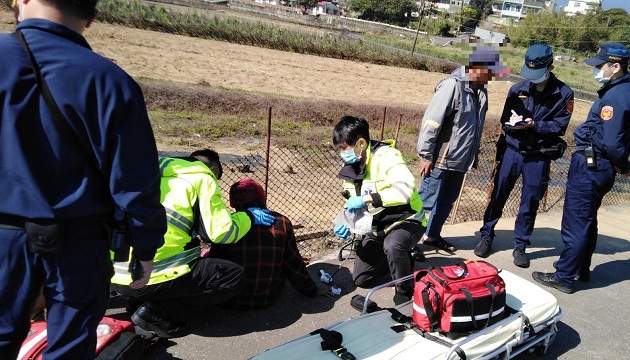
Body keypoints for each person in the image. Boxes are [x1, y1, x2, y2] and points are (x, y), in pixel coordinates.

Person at [0, 0, 167, 358]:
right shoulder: (111, 81)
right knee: (71, 346)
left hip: (3, 238)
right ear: (92, 18)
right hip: (79, 243)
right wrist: (146, 246)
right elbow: (136, 181)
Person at [111, 150, 275, 338]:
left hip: (114, 274)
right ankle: (154, 310)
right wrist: (248, 217)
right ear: (213, 169)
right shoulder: (201, 177)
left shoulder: (151, 167)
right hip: (151, 275)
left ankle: (138, 301)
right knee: (233, 276)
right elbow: (221, 233)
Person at [533, 43, 630, 293]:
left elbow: (612, 141)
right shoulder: (621, 90)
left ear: (616, 66)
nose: (597, 70)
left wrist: (623, 166)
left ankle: (564, 275)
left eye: (601, 66)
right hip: (600, 165)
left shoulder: (616, 97)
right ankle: (580, 266)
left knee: (576, 221)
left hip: (592, 164)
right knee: (587, 220)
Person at [474, 44, 574, 268]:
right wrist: (513, 126)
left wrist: (535, 125)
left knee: (530, 203)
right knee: (498, 195)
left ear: (551, 67)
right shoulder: (517, 89)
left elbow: (560, 126)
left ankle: (520, 246)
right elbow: (504, 120)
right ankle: (487, 236)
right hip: (512, 151)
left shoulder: (564, 93)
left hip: (537, 156)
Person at [416, 46, 507, 256]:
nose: (492, 78)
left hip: (460, 160)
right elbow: (431, 122)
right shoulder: (452, 86)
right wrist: (426, 154)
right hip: (439, 160)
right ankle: (409, 244)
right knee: (424, 203)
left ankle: (432, 236)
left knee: (447, 201)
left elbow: (474, 127)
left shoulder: (480, 91)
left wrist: (472, 154)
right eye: (490, 73)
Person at [332, 116, 426, 305]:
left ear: (360, 143)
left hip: (406, 220)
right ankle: (402, 265)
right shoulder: (351, 169)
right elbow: (352, 204)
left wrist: (367, 198)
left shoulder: (388, 157)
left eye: (344, 148)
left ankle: (404, 290)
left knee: (393, 245)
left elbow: (406, 190)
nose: (342, 153)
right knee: (362, 279)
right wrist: (343, 223)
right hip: (377, 226)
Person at [212, 178, 324, 310]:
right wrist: (312, 290)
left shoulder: (227, 225)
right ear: (262, 197)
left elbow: (215, 263)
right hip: (268, 297)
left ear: (233, 201)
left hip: (230, 300)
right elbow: (293, 264)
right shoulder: (281, 222)